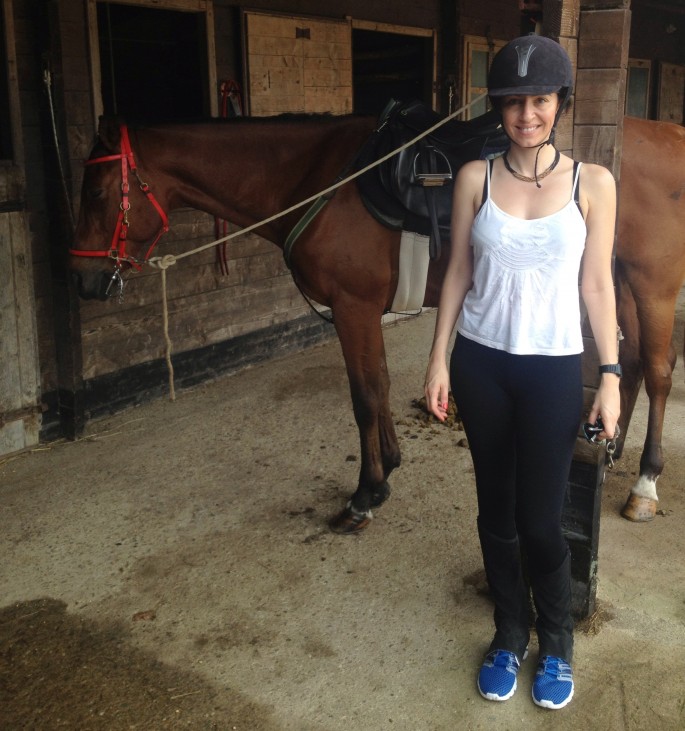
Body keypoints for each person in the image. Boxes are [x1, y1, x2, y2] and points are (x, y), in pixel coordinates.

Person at [424, 34, 621, 710]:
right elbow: (455, 273)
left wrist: (614, 374)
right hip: (481, 364)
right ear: (499, 108)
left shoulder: (591, 183)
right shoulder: (475, 177)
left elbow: (596, 286)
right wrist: (437, 357)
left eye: (538, 99)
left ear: (558, 104)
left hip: (552, 369)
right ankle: (508, 632)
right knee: (495, 512)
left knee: (539, 518)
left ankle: (556, 641)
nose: (525, 114)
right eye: (512, 101)